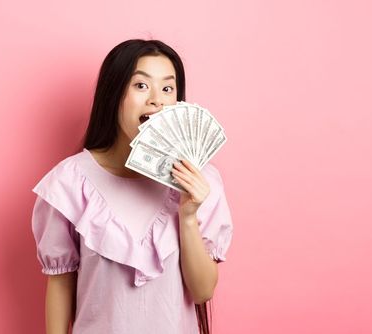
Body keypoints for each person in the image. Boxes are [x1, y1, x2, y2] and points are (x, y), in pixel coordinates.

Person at [30, 39, 234, 333]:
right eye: (141, 86)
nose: (156, 100)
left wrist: (187, 216)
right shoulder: (70, 182)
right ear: (113, 95)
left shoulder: (201, 182)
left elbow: (202, 291)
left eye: (167, 88)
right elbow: (61, 285)